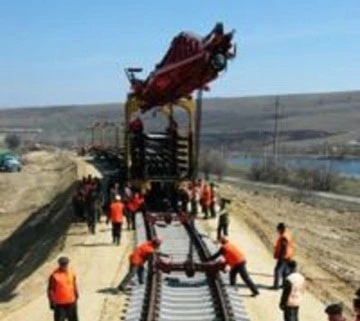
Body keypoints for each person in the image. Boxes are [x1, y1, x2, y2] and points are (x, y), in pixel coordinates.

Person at [48, 257, 79, 321]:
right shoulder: (54, 275)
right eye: (62, 264)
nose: (64, 265)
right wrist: (52, 303)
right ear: (59, 264)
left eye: (65, 264)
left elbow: (74, 285)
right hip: (60, 305)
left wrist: (76, 295)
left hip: (71, 303)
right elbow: (50, 290)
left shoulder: (72, 273)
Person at [273, 222, 294, 289]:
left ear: (281, 229)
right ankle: (284, 284)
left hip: (283, 256)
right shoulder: (287, 234)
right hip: (288, 255)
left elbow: (284, 247)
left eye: (278, 230)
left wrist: (281, 257)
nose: (277, 231)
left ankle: (276, 286)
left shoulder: (284, 237)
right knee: (285, 271)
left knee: (277, 270)